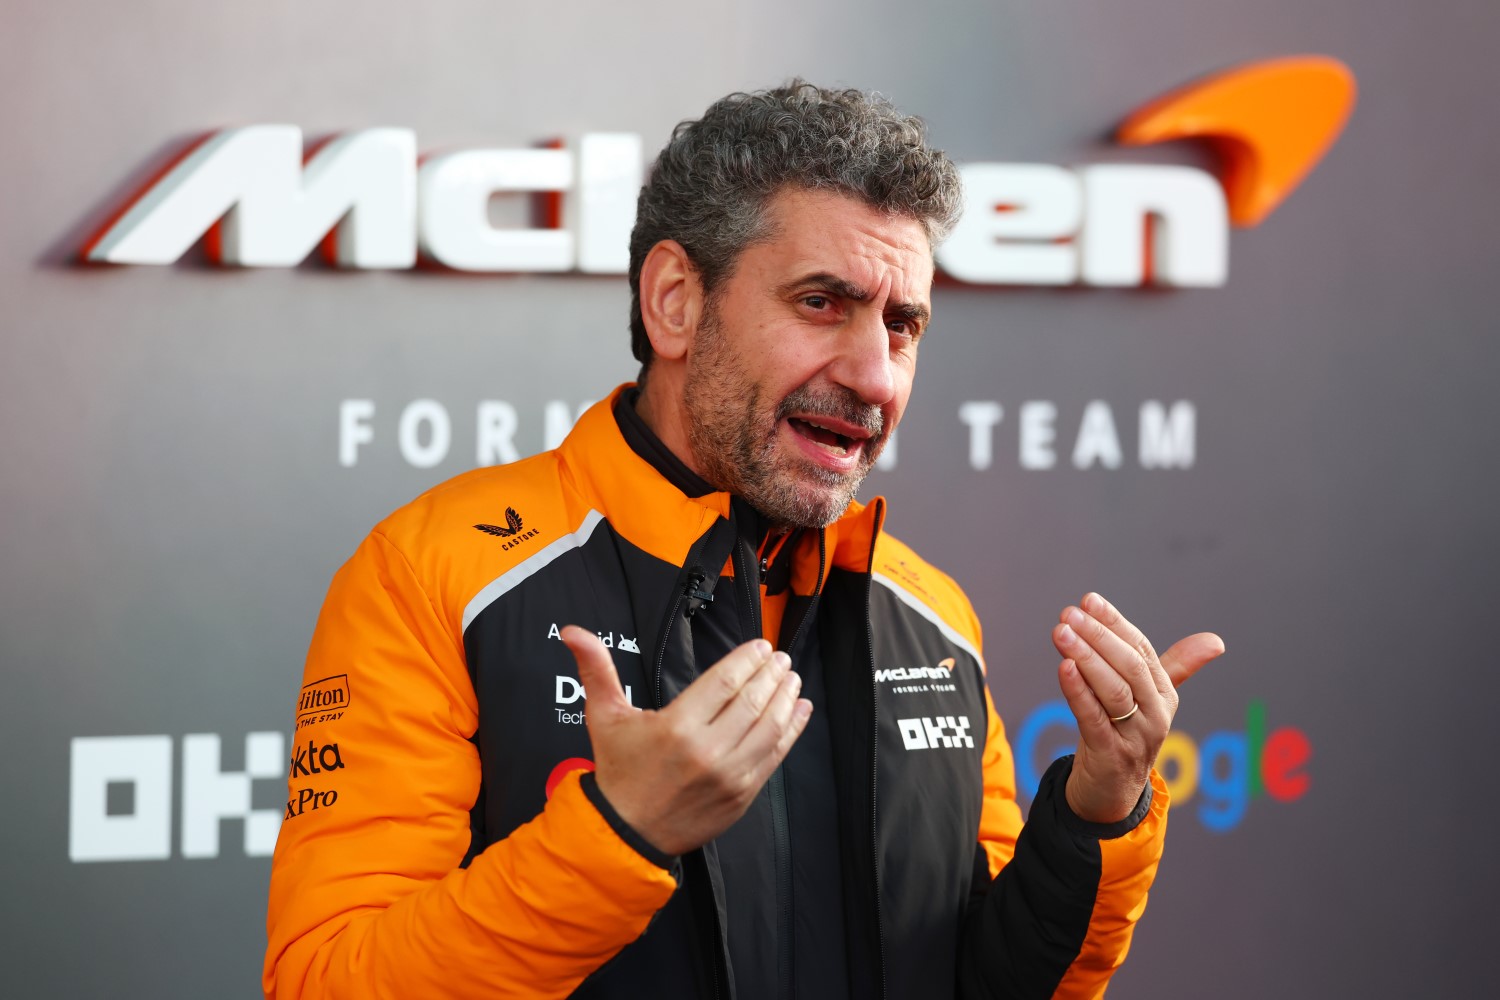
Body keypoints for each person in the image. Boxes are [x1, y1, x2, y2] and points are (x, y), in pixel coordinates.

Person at [264, 81, 1223, 1000]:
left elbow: (989, 983)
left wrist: (1099, 812)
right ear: (675, 302)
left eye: (902, 325)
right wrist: (619, 833)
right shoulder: (434, 573)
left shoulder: (928, 615)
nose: (876, 376)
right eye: (821, 304)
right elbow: (328, 982)